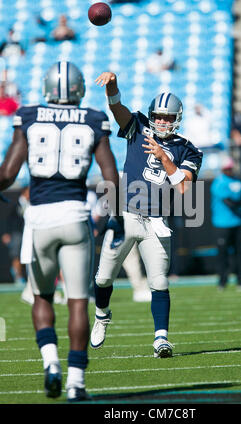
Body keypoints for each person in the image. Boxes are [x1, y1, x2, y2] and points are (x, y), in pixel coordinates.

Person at [0, 61, 120, 402]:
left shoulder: (29, 115)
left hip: (40, 219)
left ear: (47, 88)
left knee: (42, 296)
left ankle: (51, 364)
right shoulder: (94, 119)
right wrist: (118, 216)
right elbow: (110, 175)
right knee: (79, 303)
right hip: (75, 215)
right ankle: (76, 383)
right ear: (79, 89)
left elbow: (8, 172)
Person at [90, 72, 203, 358]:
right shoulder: (139, 126)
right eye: (159, 116)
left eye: (167, 117)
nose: (162, 121)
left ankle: (161, 339)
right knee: (103, 279)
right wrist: (114, 86)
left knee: (159, 282)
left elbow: (184, 187)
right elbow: (118, 109)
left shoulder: (187, 149)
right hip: (126, 215)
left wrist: (165, 157)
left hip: (156, 221)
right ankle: (102, 316)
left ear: (176, 118)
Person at [210, 156, 241, 290]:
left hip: (238, 222)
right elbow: (229, 202)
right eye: (227, 168)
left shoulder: (237, 181)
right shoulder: (218, 182)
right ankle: (222, 281)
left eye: (230, 168)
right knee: (223, 254)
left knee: (240, 253)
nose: (229, 171)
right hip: (222, 223)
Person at [1, 186, 29, 286]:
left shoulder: (33, 204)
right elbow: (9, 220)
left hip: (28, 233)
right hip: (17, 234)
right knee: (16, 255)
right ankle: (18, 276)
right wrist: (6, 233)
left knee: (27, 256)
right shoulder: (15, 204)